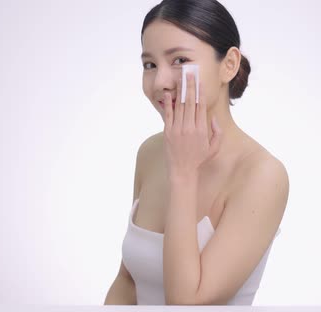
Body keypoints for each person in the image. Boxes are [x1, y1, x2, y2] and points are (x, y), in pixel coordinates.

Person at [104, 0, 289, 305]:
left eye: (179, 60)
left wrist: (183, 173)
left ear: (229, 64)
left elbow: (187, 304)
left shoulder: (262, 175)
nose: (160, 82)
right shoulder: (151, 152)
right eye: (149, 65)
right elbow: (127, 283)